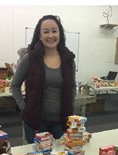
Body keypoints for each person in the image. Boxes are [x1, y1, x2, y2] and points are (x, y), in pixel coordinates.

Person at [11, 15, 76, 143]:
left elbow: (72, 86)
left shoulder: (68, 60)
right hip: (36, 122)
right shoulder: (30, 58)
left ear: (60, 34)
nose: (50, 35)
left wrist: (71, 105)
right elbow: (14, 85)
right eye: (46, 31)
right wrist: (24, 108)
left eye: (54, 31)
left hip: (61, 121)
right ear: (39, 36)